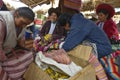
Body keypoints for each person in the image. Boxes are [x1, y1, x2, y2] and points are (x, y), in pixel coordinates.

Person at [57, 0, 112, 79]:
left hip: (102, 49)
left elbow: (68, 45)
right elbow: (70, 39)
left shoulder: (78, 23)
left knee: (74, 52)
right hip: (101, 46)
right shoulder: (78, 20)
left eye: (61, 6)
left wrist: (57, 53)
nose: (60, 9)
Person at [0, 7, 35, 79]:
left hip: (6, 51)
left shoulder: (22, 24)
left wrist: (25, 47)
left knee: (30, 55)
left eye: (26, 24)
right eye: (23, 22)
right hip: (2, 53)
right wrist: (5, 60)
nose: (23, 26)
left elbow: (20, 39)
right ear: (16, 14)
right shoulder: (2, 22)